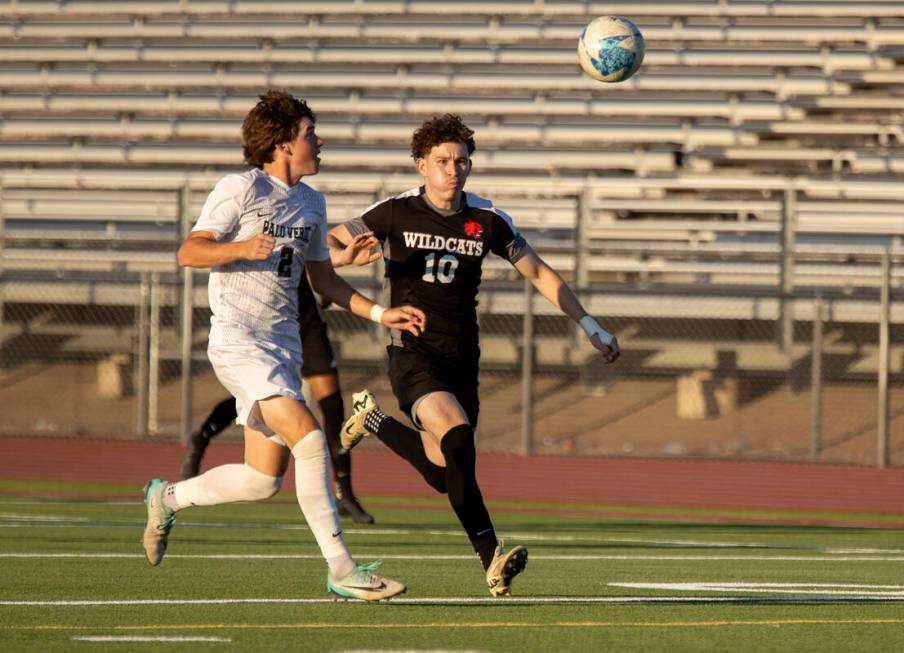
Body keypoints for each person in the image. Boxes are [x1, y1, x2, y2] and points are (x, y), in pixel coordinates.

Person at [142, 89, 425, 601]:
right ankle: (342, 569)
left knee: (261, 479)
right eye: (309, 133)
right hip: (238, 341)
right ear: (281, 144)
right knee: (312, 438)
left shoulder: (313, 203)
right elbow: (190, 251)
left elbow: (323, 282)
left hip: (282, 347)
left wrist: (382, 311)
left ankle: (168, 497)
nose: (318, 141)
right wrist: (239, 247)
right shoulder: (241, 187)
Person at [328, 114, 620, 597]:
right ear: (421, 165)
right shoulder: (395, 212)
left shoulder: (486, 219)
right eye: (442, 160)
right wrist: (344, 257)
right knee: (459, 438)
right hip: (412, 353)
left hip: (461, 357)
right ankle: (491, 557)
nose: (453, 169)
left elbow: (541, 274)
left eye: (462, 161)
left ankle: (373, 420)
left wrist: (590, 325)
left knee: (445, 475)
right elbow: (329, 244)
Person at [180, 274, 375, 524]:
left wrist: (329, 277)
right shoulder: (259, 237)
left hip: (305, 320)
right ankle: (203, 435)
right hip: (268, 325)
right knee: (261, 397)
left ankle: (345, 493)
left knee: (332, 404)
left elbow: (318, 256)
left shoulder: (308, 234)